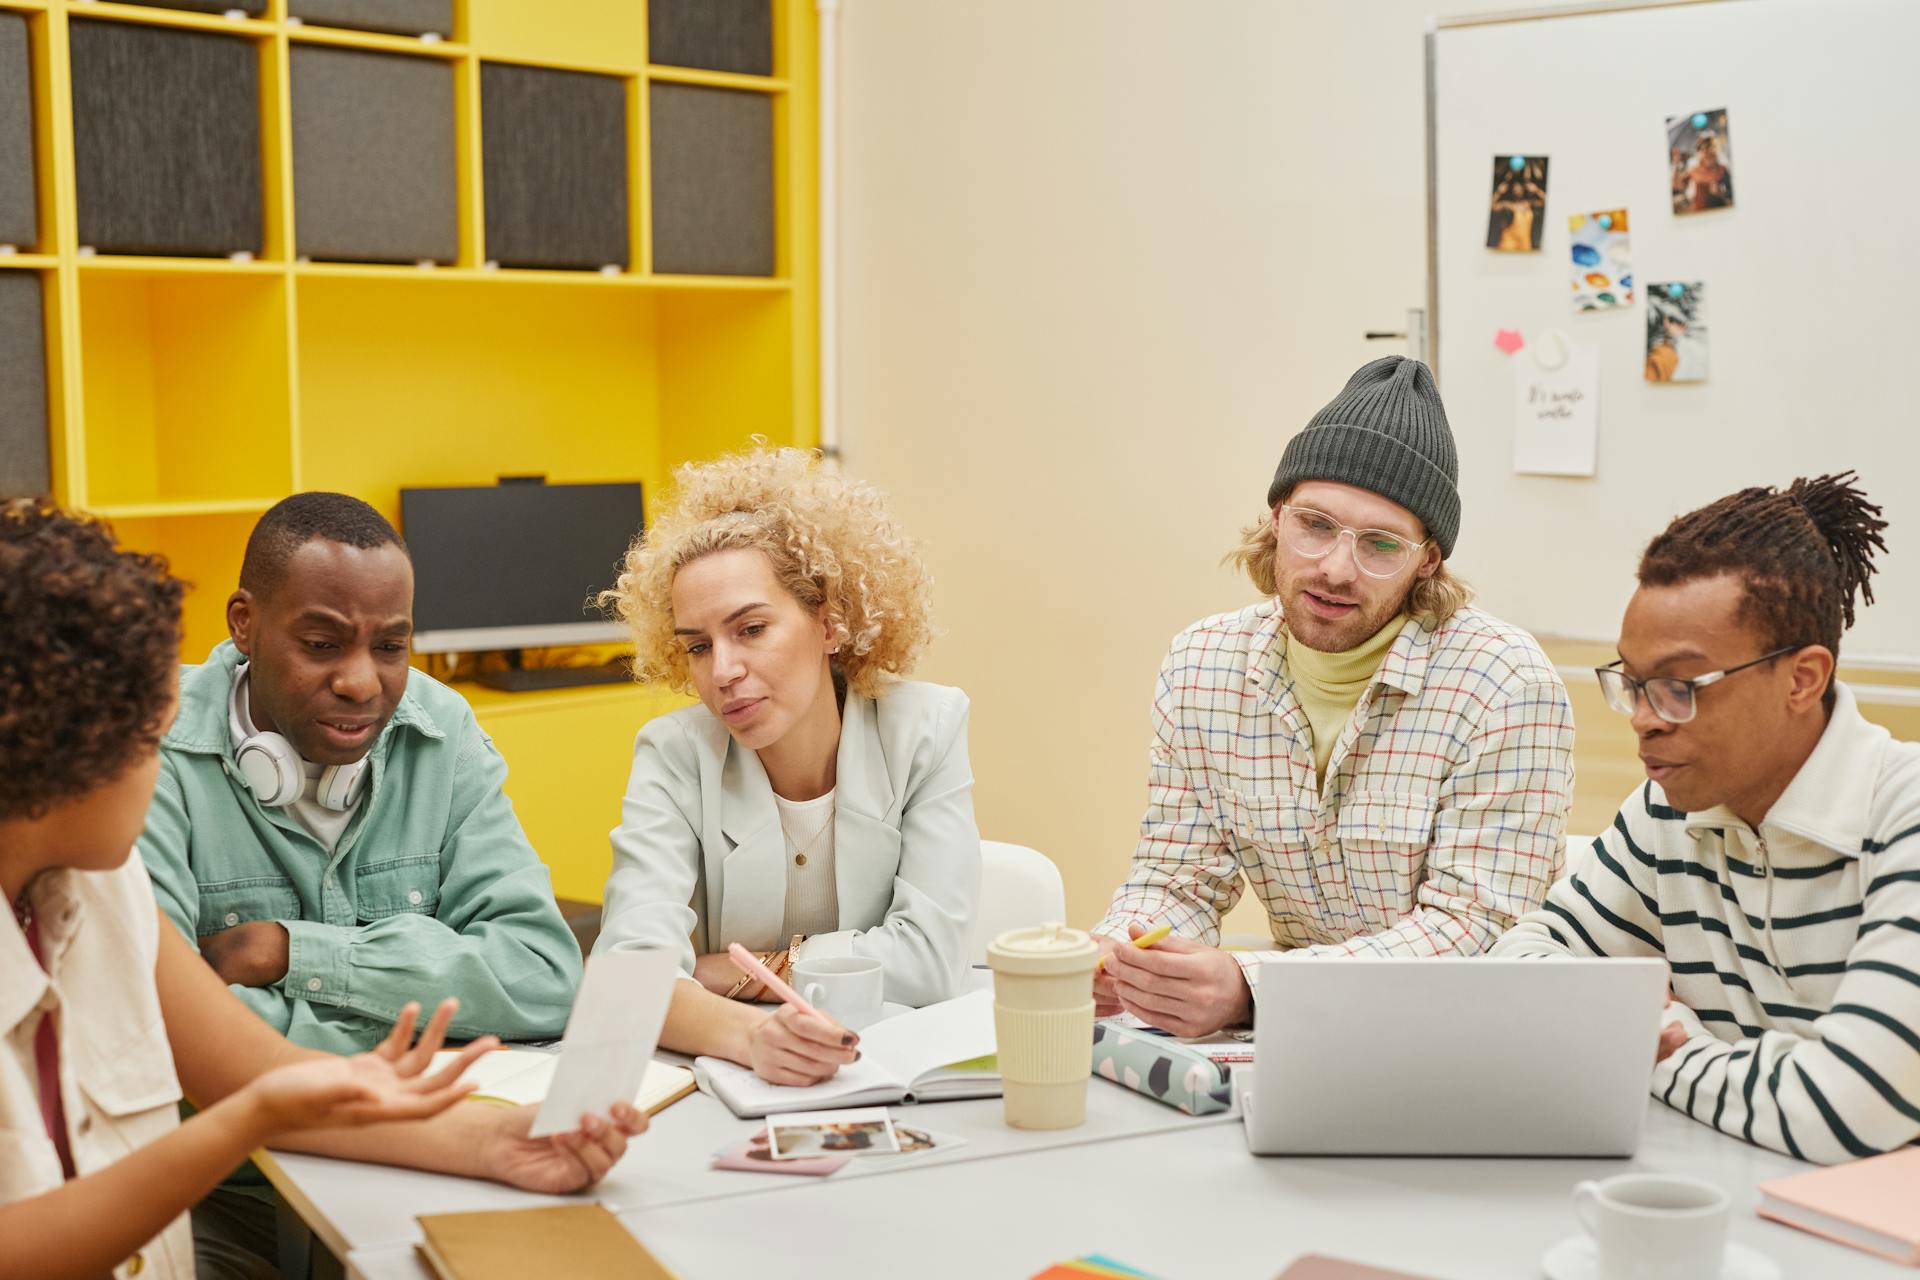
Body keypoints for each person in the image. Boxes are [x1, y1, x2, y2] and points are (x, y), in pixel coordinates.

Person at [0, 499, 643, 1280]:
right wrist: (254, 1117)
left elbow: (252, 1068)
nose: (165, 752)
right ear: (57, 749)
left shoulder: (104, 890)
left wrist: (493, 1143)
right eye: (147, 734)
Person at [133, 491, 585, 1272]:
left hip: (415, 1169)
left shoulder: (442, 731)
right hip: (225, 1193)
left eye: (391, 647)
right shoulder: (151, 745)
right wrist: (422, 1042)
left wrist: (293, 954)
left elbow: (543, 976)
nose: (362, 682)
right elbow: (176, 1048)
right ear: (244, 623)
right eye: (322, 643)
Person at [1094, 356, 1575, 1038]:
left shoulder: (1504, 683)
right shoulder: (1202, 665)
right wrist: (1121, 953)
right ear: (1276, 517)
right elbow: (1178, 878)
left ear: (1428, 560)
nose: (1335, 569)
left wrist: (1254, 991)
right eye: (1315, 525)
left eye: (1380, 544)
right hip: (1309, 1039)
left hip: (1469, 1041)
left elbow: (1474, 932)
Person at [1492, 474, 1920, 1165]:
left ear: (1803, 679)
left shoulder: (1904, 812)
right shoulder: (1668, 808)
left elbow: (1850, 1110)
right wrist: (1626, 1022)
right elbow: (1519, 969)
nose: (1643, 721)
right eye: (1631, 683)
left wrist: (1664, 1045)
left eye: (1680, 688)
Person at [594, 446, 980, 1086]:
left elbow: (933, 962)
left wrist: (743, 970)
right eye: (698, 646)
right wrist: (754, 1036)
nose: (722, 672)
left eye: (750, 629)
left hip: (895, 1076)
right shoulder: (674, 754)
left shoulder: (926, 728)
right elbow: (628, 980)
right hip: (727, 1088)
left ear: (830, 624)